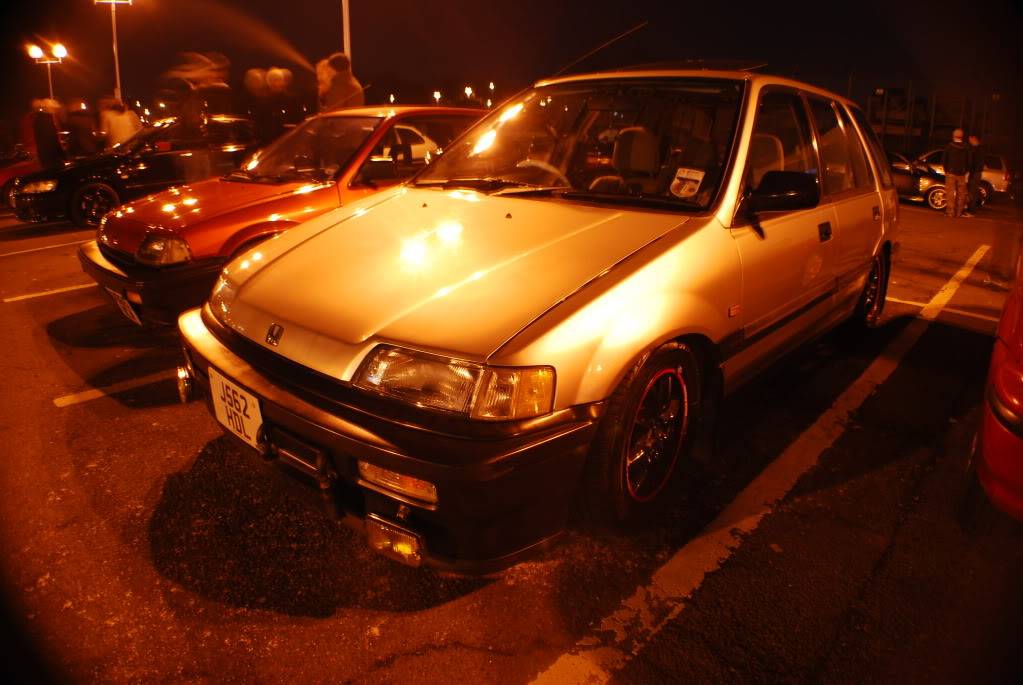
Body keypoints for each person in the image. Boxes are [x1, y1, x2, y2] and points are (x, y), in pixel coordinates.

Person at [941, 128, 970, 218]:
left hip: (950, 172)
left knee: (950, 192)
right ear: (962, 136)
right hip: (961, 173)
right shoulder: (966, 147)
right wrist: (965, 171)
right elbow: (969, 161)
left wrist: (947, 170)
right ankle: (959, 212)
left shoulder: (949, 146)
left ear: (953, 136)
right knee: (961, 193)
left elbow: (944, 160)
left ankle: (950, 211)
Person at [32, 100, 64, 170]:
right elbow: (52, 140)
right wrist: (62, 154)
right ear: (49, 109)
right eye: (53, 108)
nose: (55, 110)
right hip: (51, 156)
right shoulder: (46, 120)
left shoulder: (39, 119)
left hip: (45, 155)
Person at [966, 134, 985, 215]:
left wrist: (969, 169)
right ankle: (970, 210)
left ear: (974, 139)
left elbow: (974, 162)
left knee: (972, 192)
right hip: (975, 172)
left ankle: (971, 211)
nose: (969, 142)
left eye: (970, 140)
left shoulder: (978, 149)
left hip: (975, 173)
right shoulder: (980, 148)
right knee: (972, 191)